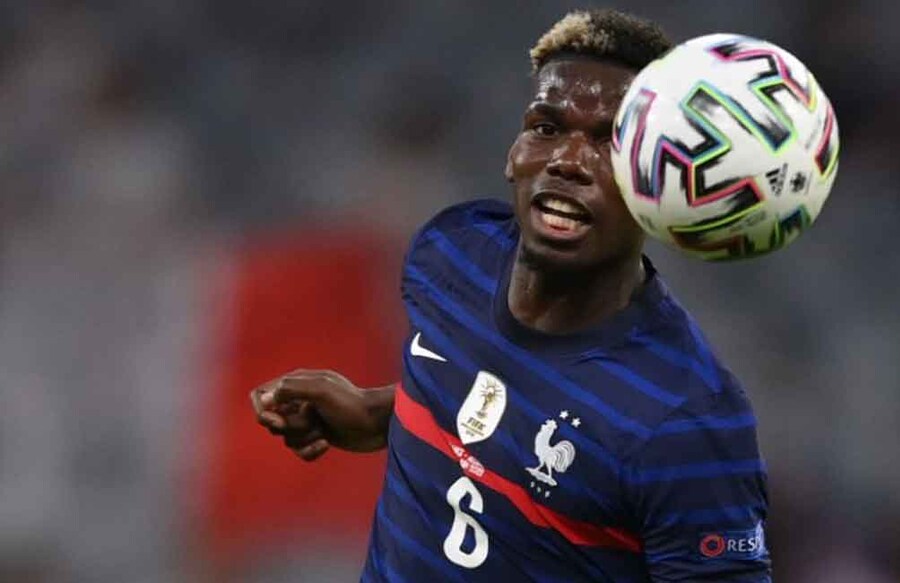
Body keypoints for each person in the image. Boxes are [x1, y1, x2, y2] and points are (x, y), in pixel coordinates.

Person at [251, 9, 771, 581]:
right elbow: (495, 395)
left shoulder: (686, 419)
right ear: (513, 153)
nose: (568, 161)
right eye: (547, 128)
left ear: (655, 184)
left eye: (610, 142)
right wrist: (381, 413)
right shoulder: (452, 254)